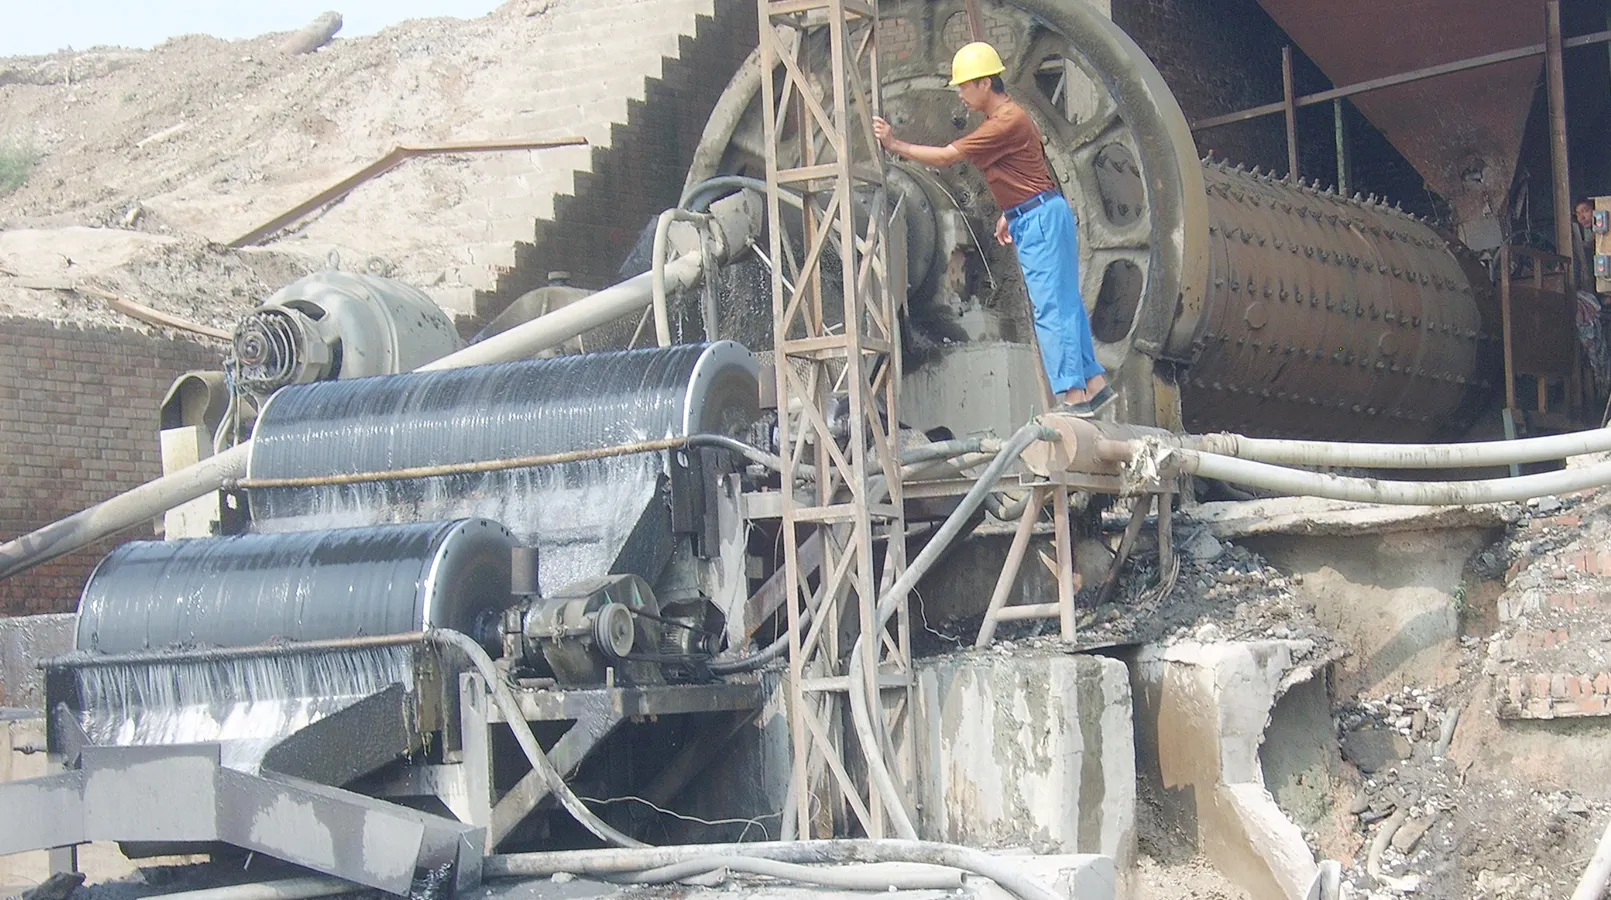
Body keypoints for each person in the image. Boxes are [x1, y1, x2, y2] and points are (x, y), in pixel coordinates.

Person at [871, 41, 1113, 417]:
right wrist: (1011, 212)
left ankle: (1073, 397)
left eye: (964, 86)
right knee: (1067, 303)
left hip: (1039, 221)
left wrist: (894, 143)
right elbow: (1027, 171)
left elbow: (948, 156)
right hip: (1042, 211)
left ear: (985, 83)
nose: (960, 94)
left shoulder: (1002, 123)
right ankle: (1095, 385)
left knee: (1051, 309)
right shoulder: (1013, 117)